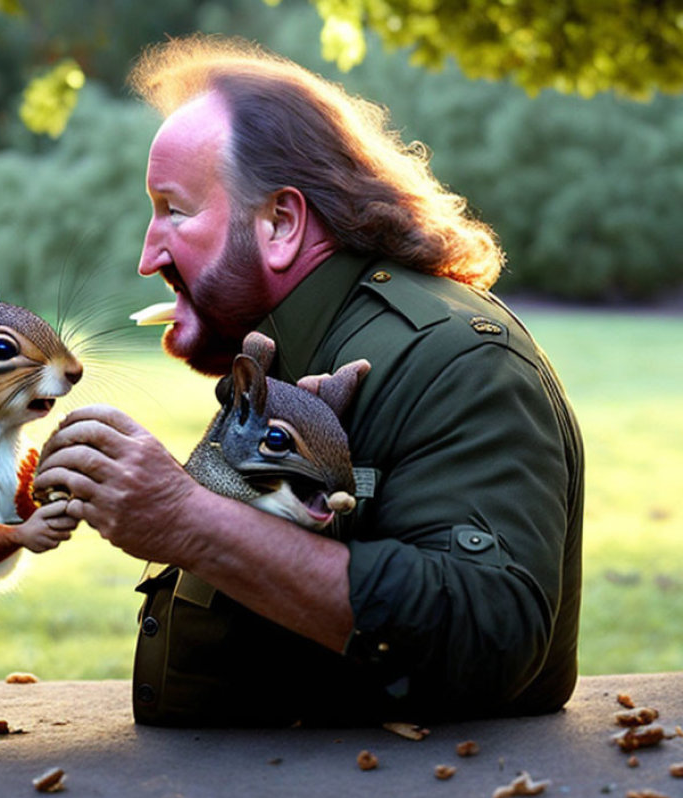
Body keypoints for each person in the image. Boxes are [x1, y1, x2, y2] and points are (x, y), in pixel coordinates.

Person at [35, 35, 583, 726]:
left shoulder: (456, 360)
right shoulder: (289, 346)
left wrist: (186, 519)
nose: (149, 255)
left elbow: (491, 631)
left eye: (174, 209)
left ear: (281, 223)